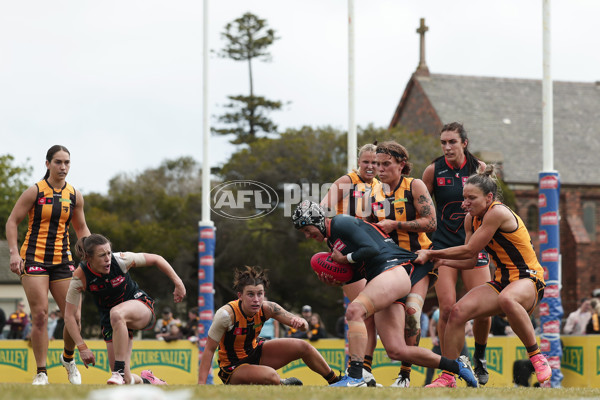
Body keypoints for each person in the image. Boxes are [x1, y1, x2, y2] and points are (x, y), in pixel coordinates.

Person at [293, 200, 478, 388]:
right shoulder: (334, 240)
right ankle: (457, 366)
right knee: (397, 350)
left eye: (307, 230)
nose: (308, 235)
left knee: (354, 311)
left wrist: (345, 258)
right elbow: (360, 269)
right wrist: (337, 280)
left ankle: (355, 377)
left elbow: (371, 249)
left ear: (317, 220)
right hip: (385, 277)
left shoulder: (339, 223)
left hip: (392, 271)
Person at [415, 165, 551, 387]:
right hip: (502, 282)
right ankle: (449, 376)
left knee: (508, 298)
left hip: (529, 279)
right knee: (457, 312)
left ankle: (536, 356)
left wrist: (431, 252)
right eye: (463, 197)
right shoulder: (471, 219)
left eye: (471, 198)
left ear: (489, 197)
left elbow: (468, 250)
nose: (464, 203)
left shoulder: (496, 212)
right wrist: (441, 261)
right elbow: (471, 260)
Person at [5, 145, 90, 385]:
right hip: (33, 259)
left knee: (74, 316)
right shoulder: (35, 191)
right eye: (58, 162)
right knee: (40, 315)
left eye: (67, 163)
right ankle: (41, 372)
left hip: (63, 261)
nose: (63, 167)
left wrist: (91, 252)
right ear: (47, 164)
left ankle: (68, 358)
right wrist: (14, 253)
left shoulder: (74, 195)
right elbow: (12, 222)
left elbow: (81, 228)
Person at [63, 233, 186, 385]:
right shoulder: (79, 277)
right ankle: (148, 380)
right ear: (89, 258)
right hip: (111, 322)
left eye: (109, 253)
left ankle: (118, 371)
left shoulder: (120, 259)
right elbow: (68, 316)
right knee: (126, 382)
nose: (108, 258)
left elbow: (156, 259)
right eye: (102, 255)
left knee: (117, 313)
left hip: (139, 306)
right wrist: (82, 347)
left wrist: (178, 282)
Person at [421, 122, 492, 386]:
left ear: (464, 143)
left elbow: (493, 208)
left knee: (484, 311)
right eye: (443, 142)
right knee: (448, 309)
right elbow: (421, 208)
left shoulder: (480, 169)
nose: (447, 147)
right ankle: (448, 369)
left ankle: (480, 357)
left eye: (452, 142)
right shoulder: (433, 170)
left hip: (474, 248)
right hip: (444, 250)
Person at [367, 140, 437, 387]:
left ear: (401, 165)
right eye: (377, 164)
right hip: (390, 265)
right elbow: (367, 227)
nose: (380, 169)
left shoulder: (414, 185)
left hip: (419, 260)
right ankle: (364, 370)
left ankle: (405, 375)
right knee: (371, 312)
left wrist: (396, 225)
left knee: (412, 314)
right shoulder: (373, 191)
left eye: (386, 164)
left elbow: (431, 222)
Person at [198, 265, 340, 386]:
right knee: (271, 376)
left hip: (256, 351)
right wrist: (201, 386)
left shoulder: (268, 308)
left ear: (264, 294)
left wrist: (302, 324)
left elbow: (301, 325)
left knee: (304, 347)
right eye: (250, 294)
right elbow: (209, 350)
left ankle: (336, 382)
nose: (256, 300)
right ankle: (283, 383)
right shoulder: (225, 315)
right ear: (240, 296)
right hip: (233, 367)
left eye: (259, 294)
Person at [320, 143, 381, 386]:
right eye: (366, 161)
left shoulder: (379, 185)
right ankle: (357, 370)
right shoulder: (347, 181)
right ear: (359, 162)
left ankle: (365, 369)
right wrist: (332, 242)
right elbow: (323, 209)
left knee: (372, 316)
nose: (370, 166)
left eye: (375, 162)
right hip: (350, 255)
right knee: (360, 312)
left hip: (374, 254)